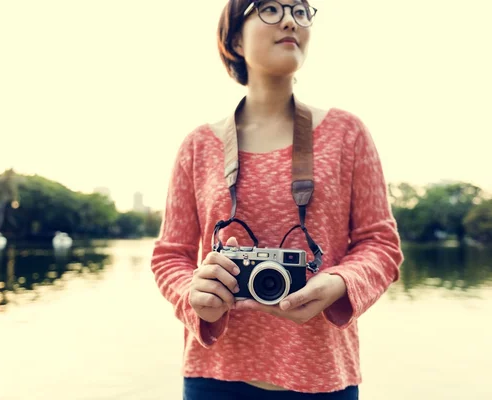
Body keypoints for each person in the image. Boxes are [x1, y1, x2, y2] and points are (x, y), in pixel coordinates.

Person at [150, 1, 404, 399]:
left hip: (323, 376)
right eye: (269, 7)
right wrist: (195, 295)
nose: (290, 19)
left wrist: (338, 282)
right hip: (214, 377)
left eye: (301, 10)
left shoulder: (347, 133)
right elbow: (170, 255)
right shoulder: (199, 145)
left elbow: (382, 245)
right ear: (234, 37)